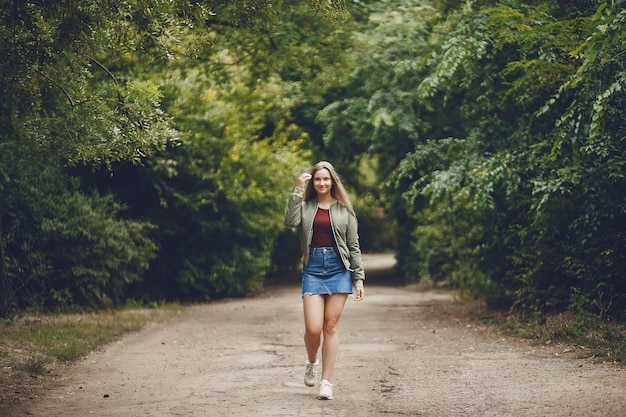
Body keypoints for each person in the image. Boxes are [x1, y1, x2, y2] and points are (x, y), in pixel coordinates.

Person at [283, 161, 365, 400]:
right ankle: (311, 362)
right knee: (313, 327)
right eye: (317, 179)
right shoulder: (306, 207)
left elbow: (354, 246)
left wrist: (358, 279)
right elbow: (290, 222)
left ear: (332, 182)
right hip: (313, 268)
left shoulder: (344, 210)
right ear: (313, 182)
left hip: (339, 269)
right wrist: (298, 189)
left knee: (330, 325)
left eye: (326, 179)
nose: (322, 183)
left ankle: (326, 382)